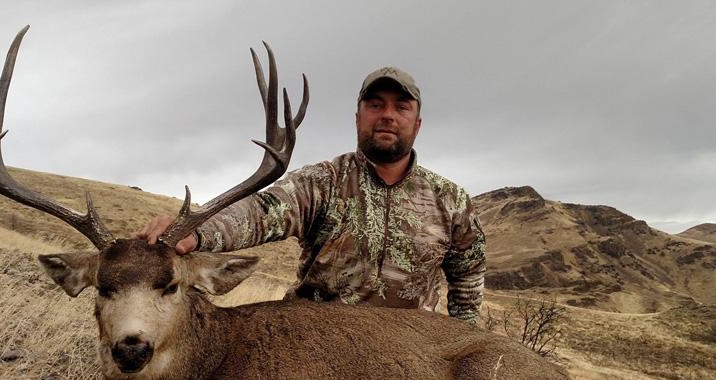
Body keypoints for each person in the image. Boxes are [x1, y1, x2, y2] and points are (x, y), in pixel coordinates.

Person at [137, 67, 486, 323]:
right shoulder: (323, 182)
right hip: (315, 352)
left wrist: (456, 351)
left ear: (418, 123)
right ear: (357, 117)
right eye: (376, 105)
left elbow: (467, 283)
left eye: (401, 107)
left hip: (412, 360)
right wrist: (197, 233)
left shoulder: (451, 201)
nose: (387, 116)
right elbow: (262, 211)